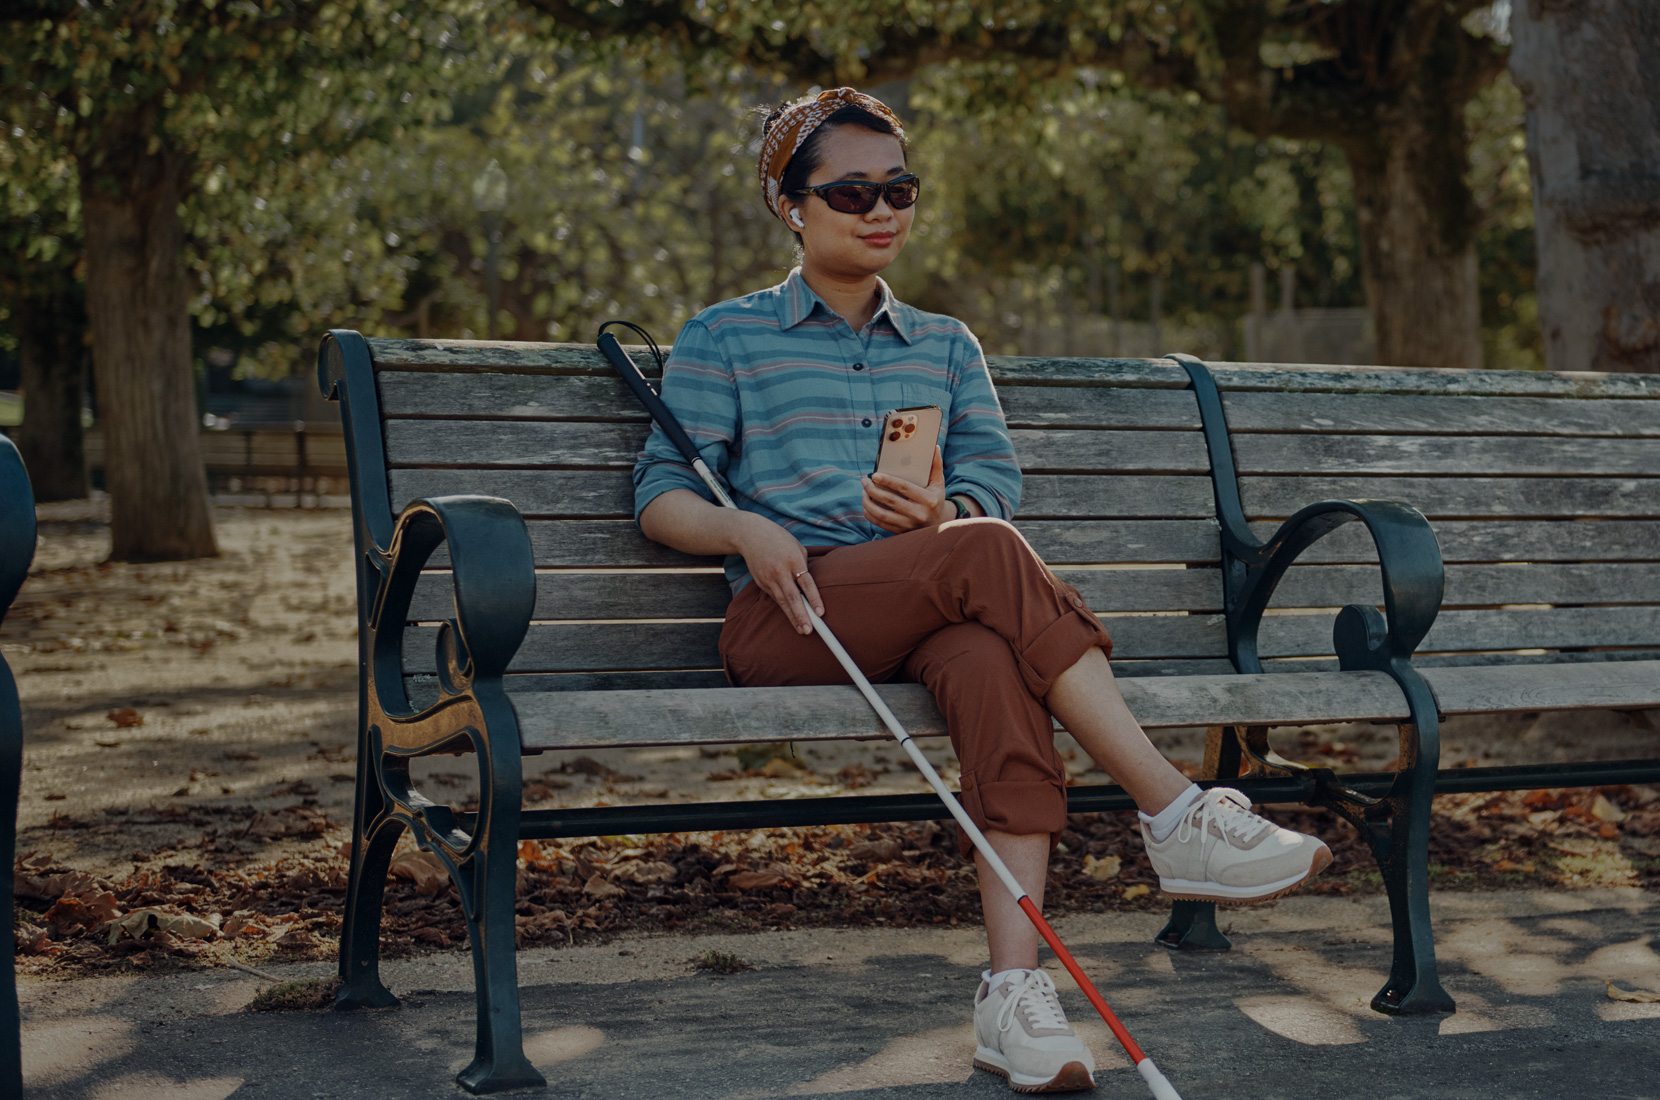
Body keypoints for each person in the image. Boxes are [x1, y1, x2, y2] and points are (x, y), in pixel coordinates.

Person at [632, 87, 1332, 1094]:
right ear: (791, 205)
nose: (882, 210)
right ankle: (1174, 812)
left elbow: (989, 486)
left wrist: (941, 511)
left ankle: (1012, 993)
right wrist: (742, 526)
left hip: (929, 601)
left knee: (989, 658)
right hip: (791, 616)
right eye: (852, 192)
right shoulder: (725, 336)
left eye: (900, 189)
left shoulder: (946, 343)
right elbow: (660, 494)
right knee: (987, 554)